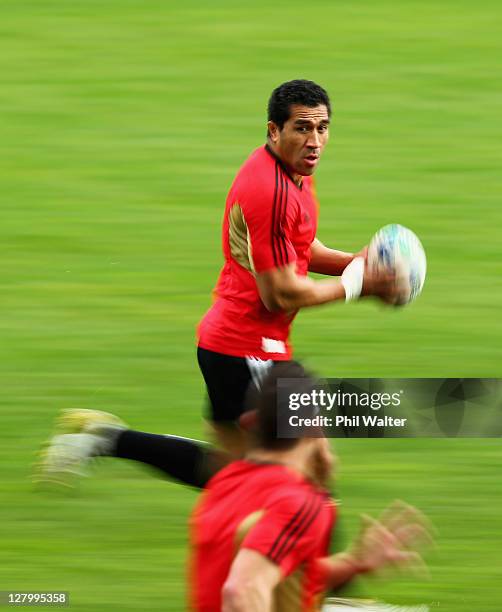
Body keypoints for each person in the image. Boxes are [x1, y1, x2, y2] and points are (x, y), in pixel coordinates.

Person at [36, 79, 398, 489]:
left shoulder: (294, 172)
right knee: (312, 466)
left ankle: (106, 439)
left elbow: (300, 247)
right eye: (302, 128)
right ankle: (308, 552)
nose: (314, 140)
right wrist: (360, 285)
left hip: (229, 343)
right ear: (273, 130)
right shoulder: (272, 191)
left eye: (322, 127)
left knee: (225, 472)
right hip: (250, 348)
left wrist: (358, 264)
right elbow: (280, 294)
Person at [190, 361, 431, 611]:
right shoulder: (299, 502)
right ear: (314, 429)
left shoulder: (222, 485)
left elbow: (283, 567)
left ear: (250, 424)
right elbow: (239, 591)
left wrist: (352, 562)